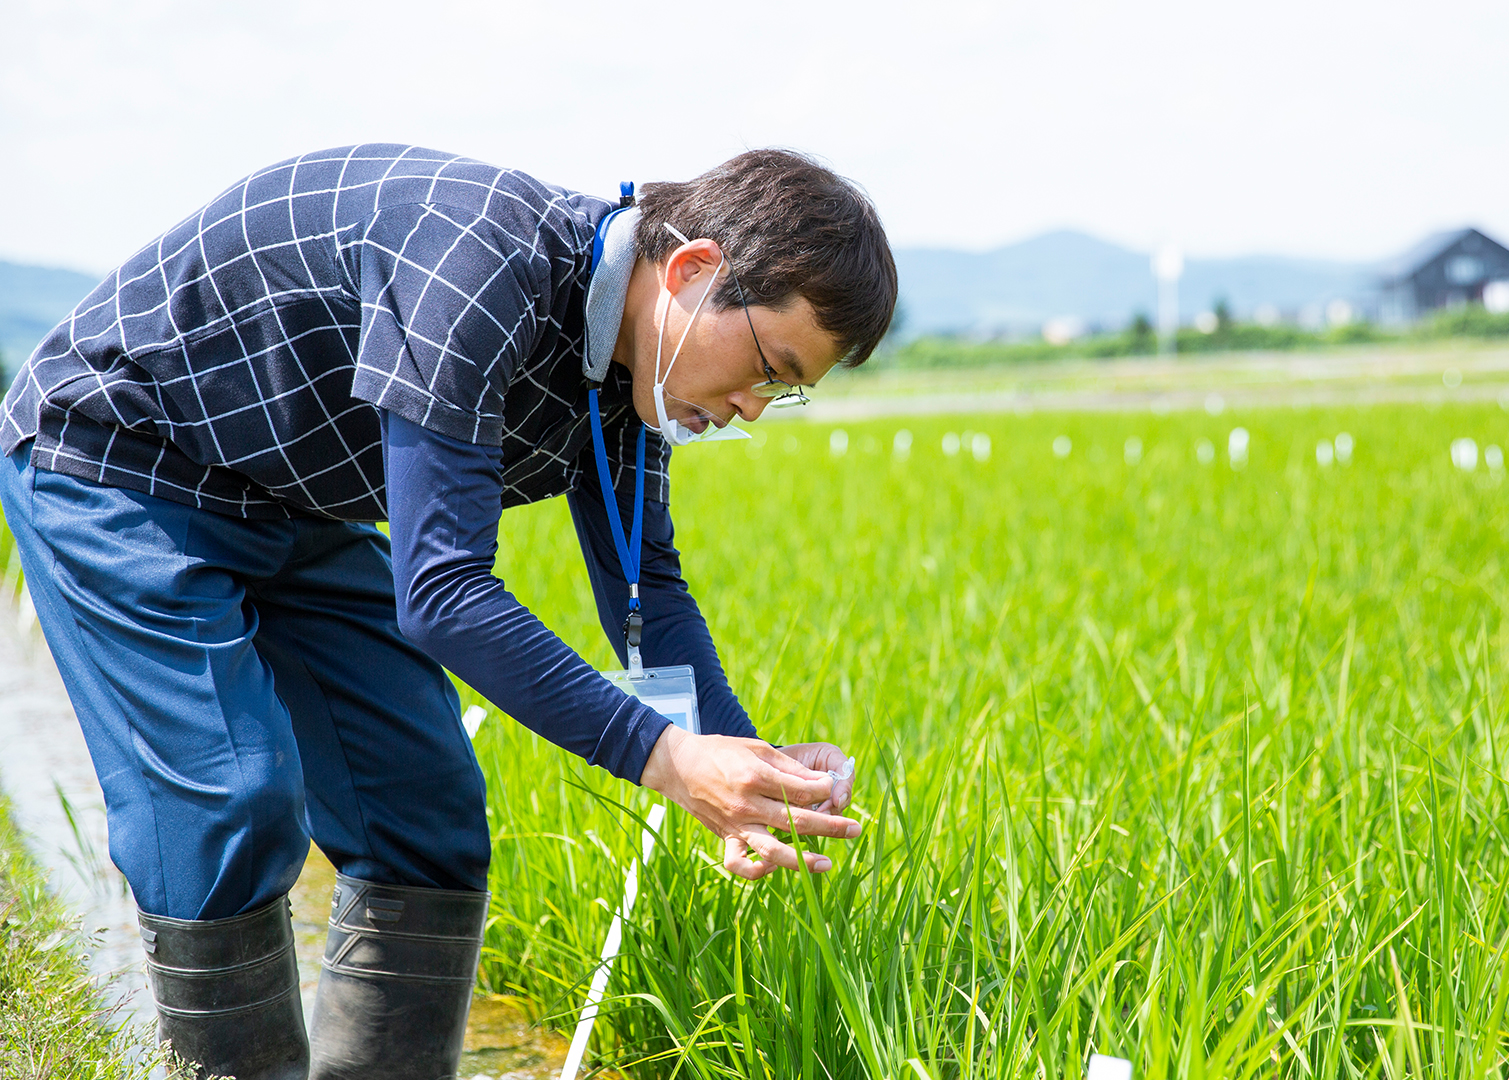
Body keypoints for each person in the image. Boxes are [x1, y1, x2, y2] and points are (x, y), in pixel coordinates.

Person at [0, 143, 894, 1080]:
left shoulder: (631, 377)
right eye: (766, 364)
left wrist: (753, 772)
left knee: (424, 809)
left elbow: (645, 594)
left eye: (785, 393)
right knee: (229, 799)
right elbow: (441, 594)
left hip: (283, 500)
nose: (753, 408)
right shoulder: (477, 263)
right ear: (693, 270)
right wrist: (669, 760)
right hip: (116, 458)